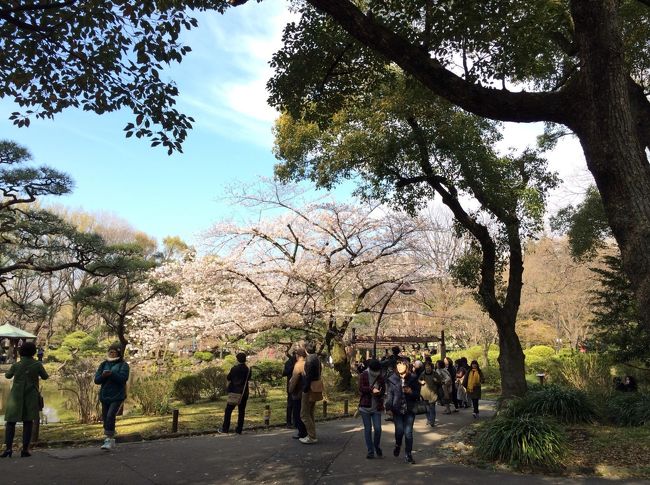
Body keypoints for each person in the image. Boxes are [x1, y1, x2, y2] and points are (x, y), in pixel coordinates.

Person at [2, 342, 48, 458]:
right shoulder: (37, 364)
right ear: (33, 352)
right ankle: (25, 450)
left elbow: (7, 376)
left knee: (11, 422)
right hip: (31, 394)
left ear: (21, 352)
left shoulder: (17, 365)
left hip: (16, 395)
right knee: (28, 422)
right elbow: (45, 376)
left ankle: (8, 449)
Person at [94, 343, 130, 451]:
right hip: (105, 395)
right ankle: (111, 438)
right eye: (110, 352)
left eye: (114, 352)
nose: (111, 354)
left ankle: (108, 439)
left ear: (118, 353)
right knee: (105, 417)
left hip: (117, 395)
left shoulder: (123, 365)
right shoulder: (103, 364)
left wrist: (112, 374)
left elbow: (123, 378)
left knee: (110, 415)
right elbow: (96, 380)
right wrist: (103, 376)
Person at [385, 357, 421, 464]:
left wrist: (411, 392)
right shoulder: (392, 379)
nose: (400, 367)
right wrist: (388, 407)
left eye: (402, 364)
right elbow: (389, 395)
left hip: (410, 409)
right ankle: (398, 444)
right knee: (399, 431)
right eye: (398, 365)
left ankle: (408, 455)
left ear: (407, 366)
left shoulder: (413, 378)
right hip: (397, 409)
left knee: (408, 433)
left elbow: (418, 394)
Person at [358, 359, 385, 459]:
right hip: (365, 406)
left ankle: (376, 446)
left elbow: (383, 389)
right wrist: (371, 389)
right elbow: (361, 388)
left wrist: (380, 392)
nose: (376, 372)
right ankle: (370, 451)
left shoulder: (380, 376)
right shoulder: (364, 374)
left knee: (378, 429)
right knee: (368, 429)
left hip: (376, 406)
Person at [219, 352, 251, 435]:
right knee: (241, 411)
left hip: (234, 392)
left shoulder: (234, 369)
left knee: (228, 410)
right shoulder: (247, 369)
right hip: (244, 393)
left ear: (237, 359)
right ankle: (239, 429)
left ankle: (225, 428)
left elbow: (228, 377)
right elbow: (249, 379)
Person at [300, 341, 321, 444]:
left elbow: (308, 376)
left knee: (304, 414)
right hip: (316, 387)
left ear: (305, 350)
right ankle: (312, 434)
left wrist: (304, 389)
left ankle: (311, 436)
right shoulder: (317, 358)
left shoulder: (309, 360)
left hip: (309, 388)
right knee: (311, 412)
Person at [288, 347, 308, 440]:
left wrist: (290, 390)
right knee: (305, 412)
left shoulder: (298, 365)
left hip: (298, 391)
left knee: (297, 412)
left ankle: (301, 432)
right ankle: (307, 431)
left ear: (298, 356)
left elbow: (294, 379)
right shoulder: (308, 363)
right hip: (306, 390)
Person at [418, 360, 441, 427]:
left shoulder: (435, 374)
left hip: (432, 393)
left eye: (429, 366)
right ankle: (429, 419)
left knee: (432, 408)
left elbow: (440, 381)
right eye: (426, 366)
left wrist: (436, 381)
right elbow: (418, 379)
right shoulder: (423, 373)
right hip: (424, 393)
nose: (428, 368)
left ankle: (432, 421)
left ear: (431, 367)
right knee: (426, 408)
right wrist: (421, 381)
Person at [282, 350, 296, 428]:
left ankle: (295, 421)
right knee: (290, 404)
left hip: (298, 387)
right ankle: (288, 422)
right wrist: (293, 367)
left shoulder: (300, 363)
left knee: (296, 405)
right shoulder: (289, 363)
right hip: (290, 386)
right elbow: (284, 373)